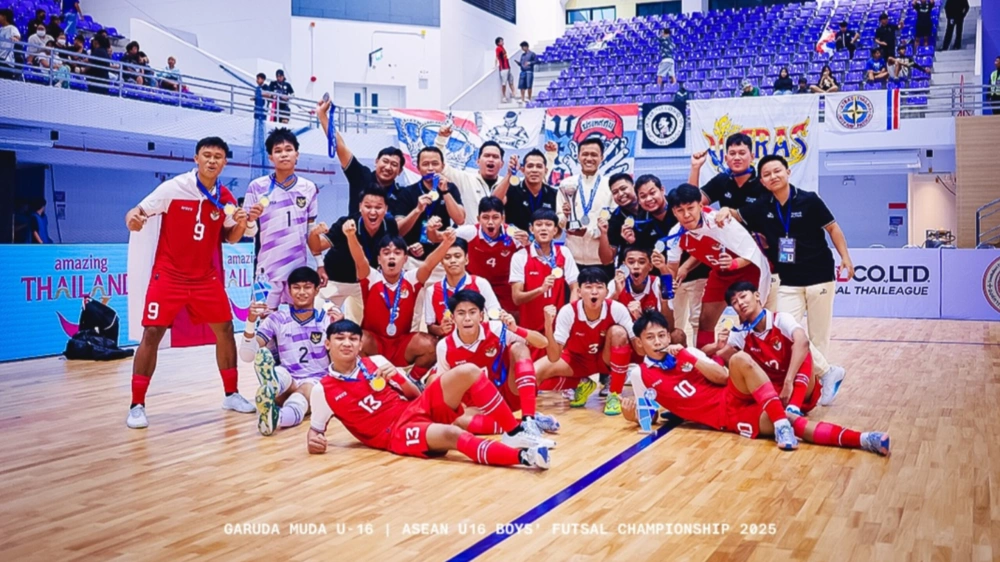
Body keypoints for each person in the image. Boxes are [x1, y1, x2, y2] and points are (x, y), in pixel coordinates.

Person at [621, 310, 889, 456]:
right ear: (640, 344)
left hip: (732, 392)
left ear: (669, 337)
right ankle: (864, 440)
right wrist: (628, 411)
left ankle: (781, 424)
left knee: (739, 359)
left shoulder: (688, 354)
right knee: (794, 423)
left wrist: (689, 355)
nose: (658, 342)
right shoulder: (640, 375)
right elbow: (648, 416)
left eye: (662, 336)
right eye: (651, 338)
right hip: (728, 414)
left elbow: (723, 377)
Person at [124, 137, 256, 429]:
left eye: (218, 156)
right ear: (196, 158)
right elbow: (137, 211)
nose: (212, 160)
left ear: (225, 162)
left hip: (205, 278)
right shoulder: (173, 188)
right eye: (207, 155)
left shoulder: (226, 198)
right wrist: (132, 219)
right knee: (152, 333)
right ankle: (136, 404)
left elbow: (229, 237)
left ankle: (231, 394)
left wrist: (243, 224)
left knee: (224, 329)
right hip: (168, 275)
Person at [307, 319, 552, 469]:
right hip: (396, 433)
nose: (347, 343)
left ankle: (514, 433)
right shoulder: (323, 390)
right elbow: (315, 431)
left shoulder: (377, 362)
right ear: (327, 344)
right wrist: (313, 441)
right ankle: (524, 456)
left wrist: (396, 378)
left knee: (468, 371)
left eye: (353, 339)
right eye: (339, 339)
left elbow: (414, 394)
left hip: (414, 408)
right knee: (453, 432)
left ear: (361, 344)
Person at [714, 155, 854, 361]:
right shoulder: (762, 206)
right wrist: (725, 209)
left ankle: (819, 382)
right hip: (788, 281)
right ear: (762, 181)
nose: (773, 176)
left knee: (818, 337)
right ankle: (824, 373)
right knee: (782, 331)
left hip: (820, 276)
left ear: (788, 172)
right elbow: (736, 214)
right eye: (767, 175)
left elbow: (832, 228)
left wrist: (845, 257)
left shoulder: (810, 199)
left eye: (777, 171)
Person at [657, 183, 771, 350]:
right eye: (680, 210)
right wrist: (670, 281)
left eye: (691, 208)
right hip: (720, 273)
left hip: (747, 270)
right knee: (705, 321)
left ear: (701, 206)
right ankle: (706, 366)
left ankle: (751, 360)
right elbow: (672, 267)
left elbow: (751, 252)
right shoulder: (675, 234)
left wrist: (733, 263)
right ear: (674, 212)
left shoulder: (720, 221)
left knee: (748, 320)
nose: (686, 214)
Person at [436, 290, 559, 438]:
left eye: (472, 312)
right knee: (459, 421)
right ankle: (523, 425)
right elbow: (443, 386)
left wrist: (515, 329)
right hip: (477, 406)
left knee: (519, 347)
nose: (467, 318)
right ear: (453, 317)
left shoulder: (497, 328)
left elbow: (543, 343)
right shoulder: (444, 346)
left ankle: (529, 417)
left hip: (509, 395)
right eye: (461, 313)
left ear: (481, 316)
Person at [239, 267, 344, 435]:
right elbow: (247, 355)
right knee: (281, 373)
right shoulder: (277, 319)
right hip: (288, 380)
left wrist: (340, 330)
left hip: (316, 379)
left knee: (303, 395)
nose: (301, 292)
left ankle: (275, 417)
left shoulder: (327, 319)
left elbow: (345, 359)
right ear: (288, 290)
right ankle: (271, 385)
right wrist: (250, 322)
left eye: (307, 287)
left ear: (317, 290)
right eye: (296, 287)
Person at [716, 282, 847, 415]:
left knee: (801, 345)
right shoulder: (739, 333)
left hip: (798, 388)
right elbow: (717, 355)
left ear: (757, 295)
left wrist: (788, 382)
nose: (741, 303)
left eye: (743, 296)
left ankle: (794, 406)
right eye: (734, 302)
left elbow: (802, 342)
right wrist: (717, 347)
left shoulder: (780, 319)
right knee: (730, 355)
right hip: (772, 389)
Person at [346, 225, 453, 379]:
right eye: (386, 253)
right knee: (356, 338)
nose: (391, 257)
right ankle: (368, 379)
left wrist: (446, 243)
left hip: (402, 344)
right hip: (374, 344)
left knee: (432, 345)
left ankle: (412, 381)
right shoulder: (372, 277)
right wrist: (351, 235)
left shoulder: (411, 279)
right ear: (379, 259)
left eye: (397, 253)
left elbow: (429, 264)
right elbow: (360, 259)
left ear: (405, 259)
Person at [535, 267, 634, 415]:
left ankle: (614, 394)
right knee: (533, 372)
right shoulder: (568, 311)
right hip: (577, 360)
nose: (594, 291)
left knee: (619, 332)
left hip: (604, 359)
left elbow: (637, 344)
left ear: (607, 292)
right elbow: (554, 357)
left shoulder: (617, 309)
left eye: (599, 287)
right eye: (588, 287)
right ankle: (582, 383)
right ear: (579, 292)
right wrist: (548, 326)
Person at [242, 128, 321, 309]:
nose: (284, 155)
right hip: (267, 270)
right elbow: (248, 231)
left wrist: (320, 263)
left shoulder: (309, 188)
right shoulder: (257, 187)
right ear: (270, 157)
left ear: (297, 154)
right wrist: (251, 220)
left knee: (298, 326)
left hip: (298, 270)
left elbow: (311, 231)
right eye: (278, 151)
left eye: (288, 149)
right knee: (263, 325)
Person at [309, 187, 399, 317]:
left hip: (365, 282)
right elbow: (317, 247)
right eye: (368, 206)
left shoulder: (390, 225)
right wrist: (315, 233)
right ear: (360, 207)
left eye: (378, 207)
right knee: (317, 319)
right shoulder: (345, 223)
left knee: (371, 322)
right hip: (335, 279)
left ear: (386, 209)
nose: (373, 212)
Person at [317, 98, 406, 214]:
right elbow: (340, 147)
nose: (388, 167)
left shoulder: (403, 195)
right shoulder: (362, 177)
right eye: (385, 161)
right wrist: (322, 115)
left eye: (394, 164)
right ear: (376, 161)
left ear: (400, 171)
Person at [510, 209, 580, 340]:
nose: (543, 228)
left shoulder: (564, 252)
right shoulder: (520, 257)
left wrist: (571, 312)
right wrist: (540, 290)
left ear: (555, 231)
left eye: (548, 225)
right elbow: (517, 297)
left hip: (558, 328)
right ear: (531, 229)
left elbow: (575, 287)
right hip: (530, 331)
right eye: (539, 224)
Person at [390, 146, 464, 263]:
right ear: (418, 167)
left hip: (442, 256)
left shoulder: (451, 188)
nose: (430, 168)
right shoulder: (407, 192)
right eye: (425, 164)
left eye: (435, 164)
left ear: (442, 166)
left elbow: (460, 219)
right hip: (412, 257)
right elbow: (398, 230)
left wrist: (445, 192)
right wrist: (417, 210)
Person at [455, 196, 528, 314]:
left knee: (514, 318)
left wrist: (528, 244)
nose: (490, 222)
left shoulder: (515, 235)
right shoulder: (468, 232)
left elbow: (532, 257)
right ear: (478, 219)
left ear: (503, 218)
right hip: (476, 283)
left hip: (505, 285)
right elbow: (440, 239)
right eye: (485, 217)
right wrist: (433, 231)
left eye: (495, 217)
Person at [556, 138, 615, 273]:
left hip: (601, 259)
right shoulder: (566, 185)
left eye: (594, 155)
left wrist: (588, 233)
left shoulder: (610, 185)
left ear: (602, 157)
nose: (589, 158)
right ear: (578, 157)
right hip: (571, 259)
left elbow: (614, 223)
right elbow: (559, 221)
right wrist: (565, 217)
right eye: (585, 154)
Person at [423, 238, 500, 336]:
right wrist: (441, 330)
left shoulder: (481, 283)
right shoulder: (432, 290)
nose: (453, 261)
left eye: (457, 256)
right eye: (447, 257)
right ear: (441, 261)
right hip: (448, 343)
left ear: (466, 259)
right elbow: (430, 326)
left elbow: (496, 315)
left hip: (479, 340)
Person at [434, 124, 506, 223]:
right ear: (478, 161)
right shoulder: (465, 179)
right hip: (469, 237)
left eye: (495, 157)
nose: (491, 159)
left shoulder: (507, 183)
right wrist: (441, 139)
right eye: (487, 155)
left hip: (498, 237)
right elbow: (441, 166)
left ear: (502, 164)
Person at [494, 148, 557, 231]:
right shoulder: (511, 189)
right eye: (530, 166)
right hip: (514, 242)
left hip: (542, 242)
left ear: (545, 171)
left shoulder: (554, 194)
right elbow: (494, 203)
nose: (534, 170)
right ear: (523, 170)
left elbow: (558, 229)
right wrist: (509, 174)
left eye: (539, 166)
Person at [0, 10, 20, 81]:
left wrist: (15, 38)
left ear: (4, 17)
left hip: (6, 60)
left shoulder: (12, 28)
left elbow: (17, 36)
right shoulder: (1, 29)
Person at [494, 37, 514, 103]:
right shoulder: (498, 49)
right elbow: (496, 57)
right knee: (504, 83)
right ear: (498, 42)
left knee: (511, 80)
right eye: (501, 41)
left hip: (508, 67)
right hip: (503, 68)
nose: (503, 42)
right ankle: (504, 96)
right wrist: (495, 65)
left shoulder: (503, 48)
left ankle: (513, 93)